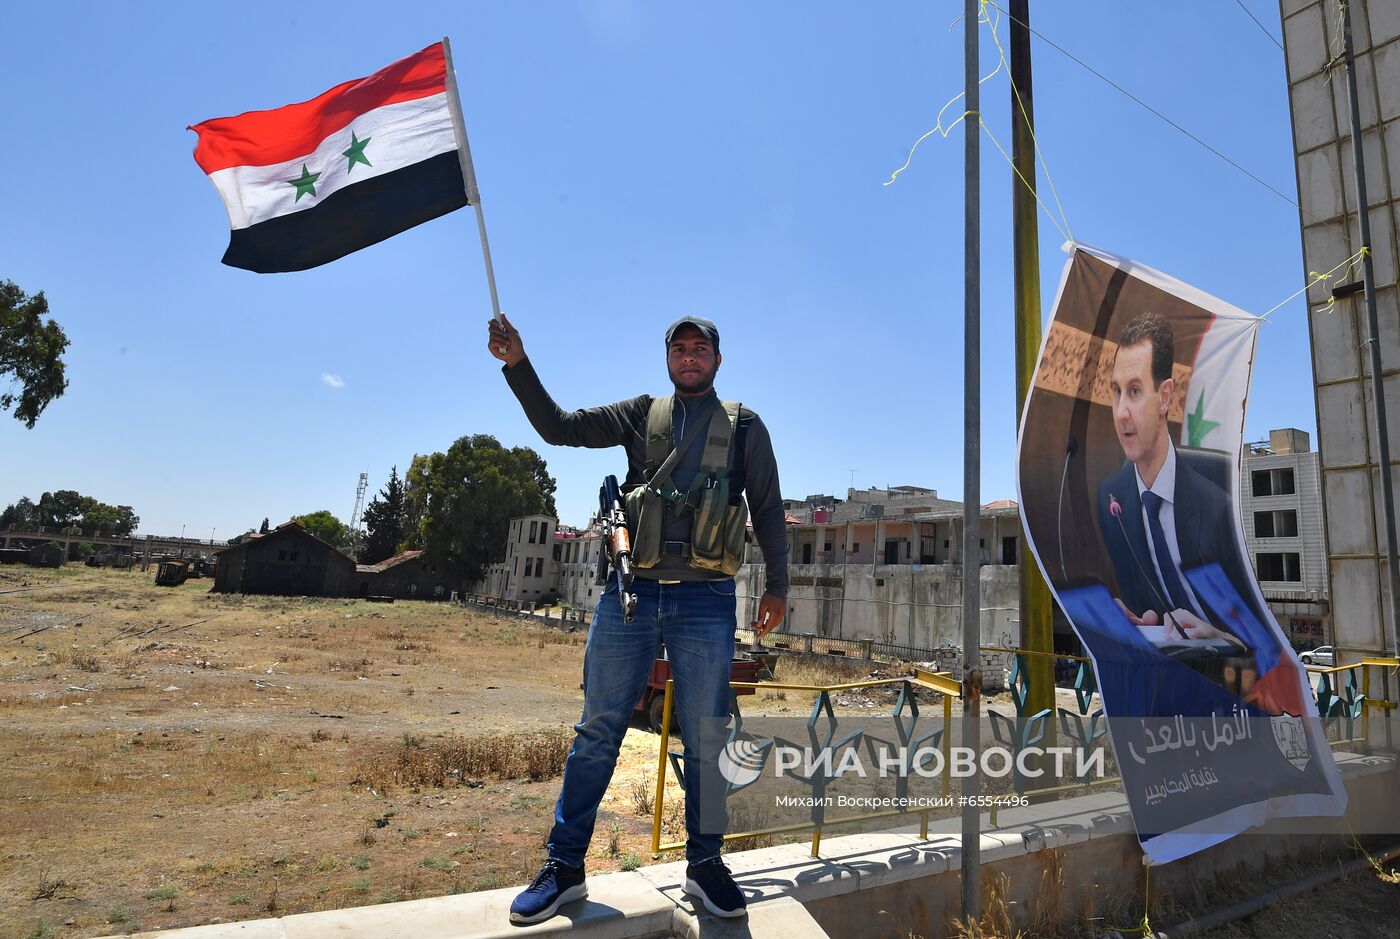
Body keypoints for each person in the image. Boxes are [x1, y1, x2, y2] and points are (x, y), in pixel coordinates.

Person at [488, 312, 789, 924]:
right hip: (631, 593)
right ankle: (565, 867)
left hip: (706, 600)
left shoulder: (746, 426)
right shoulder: (638, 415)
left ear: (717, 361)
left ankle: (706, 867)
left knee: (706, 737)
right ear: (667, 359)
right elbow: (559, 427)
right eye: (679, 349)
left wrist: (779, 585)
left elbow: (770, 506)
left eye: (700, 349)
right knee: (598, 730)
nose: (689, 357)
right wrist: (517, 364)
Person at [1095, 311, 1303, 716]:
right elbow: (1149, 612)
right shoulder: (1112, 501)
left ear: (1166, 396)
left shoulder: (1215, 502)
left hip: (1241, 707)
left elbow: (1264, 644)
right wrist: (1140, 625)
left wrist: (1224, 640)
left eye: (1135, 391)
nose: (1121, 412)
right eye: (1115, 391)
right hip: (1170, 708)